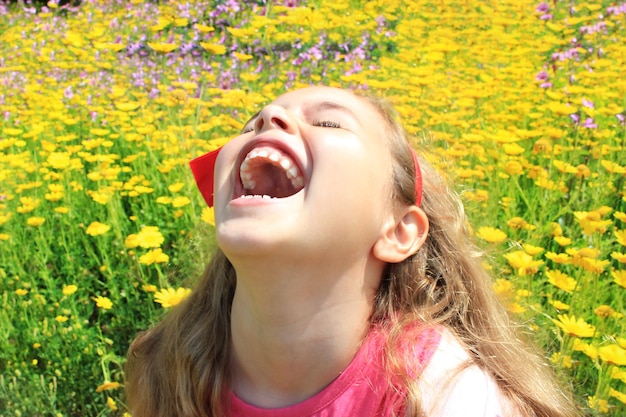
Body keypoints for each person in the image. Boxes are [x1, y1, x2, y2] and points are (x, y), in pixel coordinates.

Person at [125, 86, 579, 417]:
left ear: (399, 232)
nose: (267, 120)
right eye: (252, 123)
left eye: (327, 122)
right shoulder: (163, 366)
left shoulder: (448, 397)